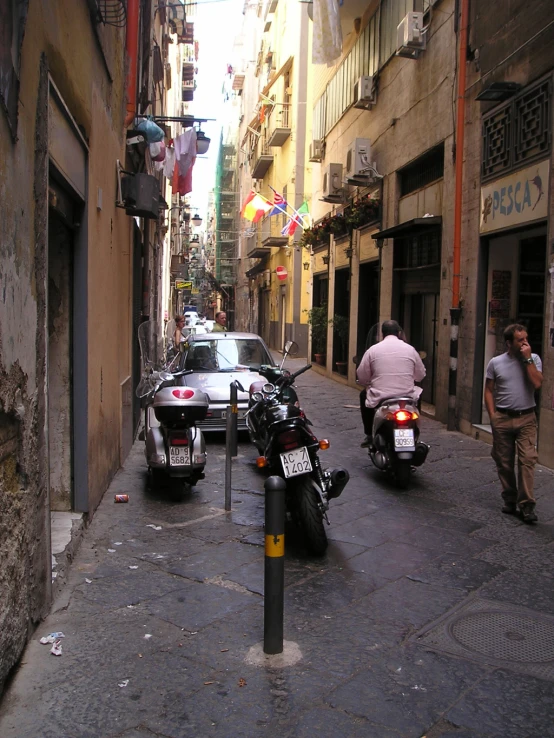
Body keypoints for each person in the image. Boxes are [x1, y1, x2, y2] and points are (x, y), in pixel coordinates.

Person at [484, 323, 542, 523]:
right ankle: (509, 498)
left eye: (526, 338)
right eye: (520, 340)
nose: (525, 342)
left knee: (527, 461)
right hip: (503, 417)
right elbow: (489, 390)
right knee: (504, 462)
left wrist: (527, 360)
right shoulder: (495, 363)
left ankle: (526, 505)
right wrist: (492, 416)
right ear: (509, 343)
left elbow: (537, 383)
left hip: (526, 417)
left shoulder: (534, 359)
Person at [356, 320, 426, 448]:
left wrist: (366, 382)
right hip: (406, 397)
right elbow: (420, 375)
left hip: (381, 397)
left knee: (363, 395)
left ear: (382, 334)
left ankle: (369, 435)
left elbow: (362, 376)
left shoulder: (373, 350)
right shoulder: (410, 350)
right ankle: (415, 430)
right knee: (418, 395)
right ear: (399, 333)